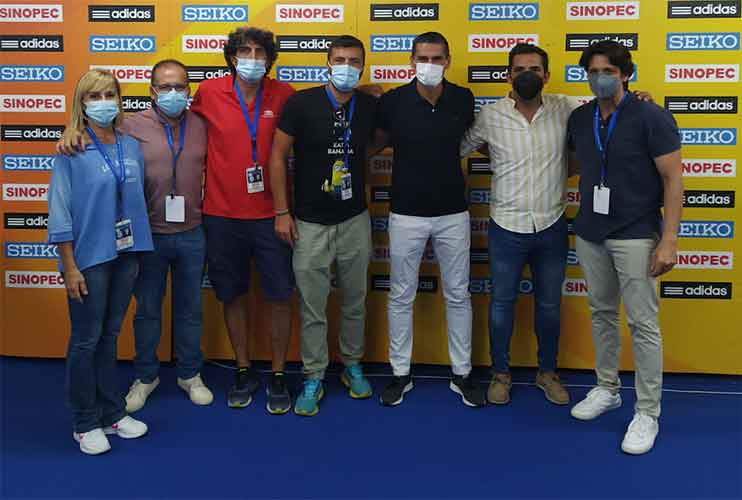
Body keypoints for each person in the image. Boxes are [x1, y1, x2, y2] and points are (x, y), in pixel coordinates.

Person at [57, 60, 213, 413]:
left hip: (192, 232)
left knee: (190, 309)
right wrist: (71, 133)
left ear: (189, 89)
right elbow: (93, 133)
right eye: (165, 87)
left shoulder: (203, 125)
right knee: (147, 311)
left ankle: (190, 374)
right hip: (146, 238)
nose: (173, 93)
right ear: (152, 90)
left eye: (180, 86)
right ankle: (146, 376)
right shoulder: (128, 124)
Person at [566, 41, 683, 455]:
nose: (600, 78)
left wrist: (669, 240)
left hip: (635, 232)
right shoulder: (580, 118)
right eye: (593, 71)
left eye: (609, 71)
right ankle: (607, 388)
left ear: (625, 73)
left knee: (643, 324)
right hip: (591, 232)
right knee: (601, 313)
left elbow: (673, 180)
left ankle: (647, 411)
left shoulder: (651, 115)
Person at [373, 32, 485, 408]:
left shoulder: (463, 99)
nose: (430, 65)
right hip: (405, 212)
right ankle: (400, 373)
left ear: (448, 61)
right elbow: (368, 128)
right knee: (401, 295)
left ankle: (462, 373)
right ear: (411, 60)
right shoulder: (392, 102)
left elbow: (475, 139)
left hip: (453, 211)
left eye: (437, 58)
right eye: (423, 58)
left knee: (458, 294)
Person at [460, 44, 573, 406]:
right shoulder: (490, 116)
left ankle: (547, 373)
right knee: (501, 305)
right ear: (508, 75)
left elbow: (608, 106)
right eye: (520, 68)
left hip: (552, 224)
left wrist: (639, 97)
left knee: (550, 306)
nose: (528, 74)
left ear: (547, 75)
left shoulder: (566, 108)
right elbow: (460, 146)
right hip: (506, 225)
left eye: (536, 69)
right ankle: (501, 374)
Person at [189, 27, 296, 413]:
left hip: (272, 215)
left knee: (280, 295)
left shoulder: (285, 96)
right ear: (232, 57)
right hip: (221, 215)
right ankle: (243, 367)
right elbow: (173, 125)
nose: (252, 57)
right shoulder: (208, 93)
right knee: (232, 293)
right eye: (244, 50)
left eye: (259, 51)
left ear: (269, 57)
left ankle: (280, 373)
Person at [48, 69, 153, 455]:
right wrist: (69, 265)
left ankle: (111, 412)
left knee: (109, 337)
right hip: (89, 258)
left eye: (111, 93)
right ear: (83, 102)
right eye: (96, 95)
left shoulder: (130, 144)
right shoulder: (71, 149)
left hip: (126, 254)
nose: (104, 101)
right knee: (85, 340)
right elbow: (59, 211)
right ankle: (84, 420)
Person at [270, 35, 376, 416]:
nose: (346, 66)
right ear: (327, 62)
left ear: (363, 65)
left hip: (354, 218)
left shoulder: (368, 105)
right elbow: (278, 155)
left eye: (354, 60)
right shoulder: (301, 103)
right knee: (313, 306)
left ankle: (351, 365)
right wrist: (282, 211)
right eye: (339, 59)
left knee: (354, 301)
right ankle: (314, 374)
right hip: (309, 222)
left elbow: (373, 143)